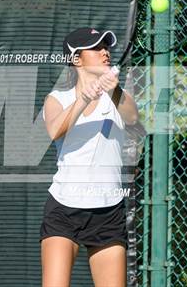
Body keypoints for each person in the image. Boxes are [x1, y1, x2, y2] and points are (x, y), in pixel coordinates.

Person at [40, 27, 139, 287]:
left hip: (108, 211)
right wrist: (85, 97)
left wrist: (112, 90)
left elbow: (132, 117)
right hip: (63, 209)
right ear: (75, 59)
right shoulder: (56, 99)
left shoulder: (117, 97)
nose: (105, 52)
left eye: (106, 46)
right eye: (96, 47)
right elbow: (55, 130)